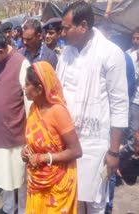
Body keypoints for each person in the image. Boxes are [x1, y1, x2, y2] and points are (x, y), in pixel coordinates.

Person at [57, 1, 129, 213]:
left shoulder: (110, 53)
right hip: (68, 143)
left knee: (96, 203)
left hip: (95, 145)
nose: (63, 32)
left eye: (66, 27)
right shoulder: (66, 54)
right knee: (73, 199)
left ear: (84, 26)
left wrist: (114, 152)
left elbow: (119, 104)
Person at [22, 61, 82, 213]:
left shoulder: (58, 112)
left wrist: (43, 158)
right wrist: (26, 151)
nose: (24, 88)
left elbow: (76, 151)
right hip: (37, 181)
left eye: (27, 84)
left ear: (40, 88)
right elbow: (35, 140)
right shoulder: (34, 108)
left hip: (58, 185)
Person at [0, 29, 31, 214]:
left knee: (21, 180)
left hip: (16, 137)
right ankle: (10, 209)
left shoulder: (22, 64)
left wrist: (30, 139)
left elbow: (30, 105)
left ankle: (24, 210)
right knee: (5, 178)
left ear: (0, 51)